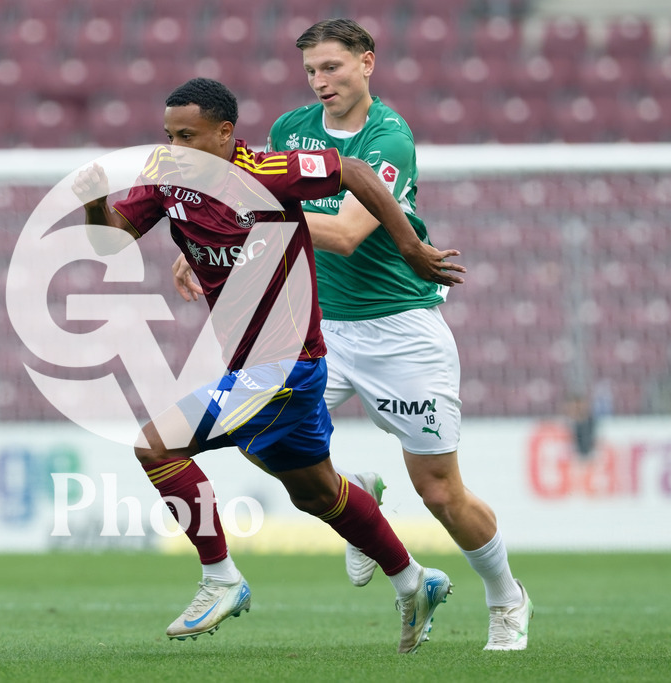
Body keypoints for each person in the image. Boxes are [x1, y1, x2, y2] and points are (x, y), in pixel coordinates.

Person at [172, 18, 533, 651]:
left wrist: (247, 217)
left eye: (332, 67)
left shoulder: (389, 138)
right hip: (317, 332)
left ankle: (506, 598)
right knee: (265, 446)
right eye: (311, 70)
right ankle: (361, 508)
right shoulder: (291, 129)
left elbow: (340, 233)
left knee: (440, 490)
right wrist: (207, 234)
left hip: (400, 330)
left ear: (367, 63)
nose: (320, 82)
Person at [73, 77, 462, 653]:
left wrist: (407, 245)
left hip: (287, 366)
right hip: (252, 369)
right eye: (168, 135)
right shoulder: (168, 178)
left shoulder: (267, 171)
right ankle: (414, 578)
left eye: (188, 135)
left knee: (155, 446)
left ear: (226, 135)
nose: (175, 147)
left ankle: (221, 579)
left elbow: (354, 173)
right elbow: (111, 242)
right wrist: (93, 202)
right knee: (316, 494)